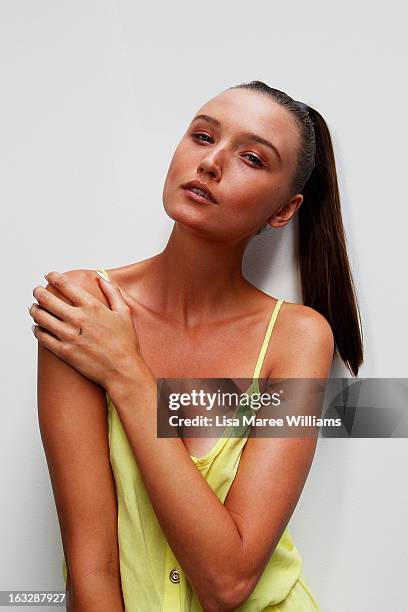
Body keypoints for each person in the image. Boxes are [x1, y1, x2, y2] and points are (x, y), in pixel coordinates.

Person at [31, 81, 363, 611]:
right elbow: (91, 565)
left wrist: (126, 373)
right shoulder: (81, 308)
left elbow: (227, 584)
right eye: (203, 136)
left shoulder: (298, 338)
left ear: (284, 210)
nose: (211, 162)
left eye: (251, 158)